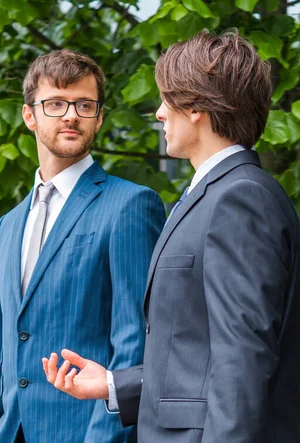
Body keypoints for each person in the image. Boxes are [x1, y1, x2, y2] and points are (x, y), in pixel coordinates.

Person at [43, 30, 300, 442]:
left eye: (167, 99)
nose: (160, 113)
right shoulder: (215, 194)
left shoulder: (240, 199)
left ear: (197, 105)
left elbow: (242, 363)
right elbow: (199, 357)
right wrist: (112, 385)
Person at [0, 49, 165, 443]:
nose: (70, 115)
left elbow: (136, 340)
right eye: (55, 104)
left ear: (99, 117)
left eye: (84, 104)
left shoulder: (130, 205)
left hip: (85, 432)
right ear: (30, 115)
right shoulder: (7, 226)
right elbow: (1, 354)